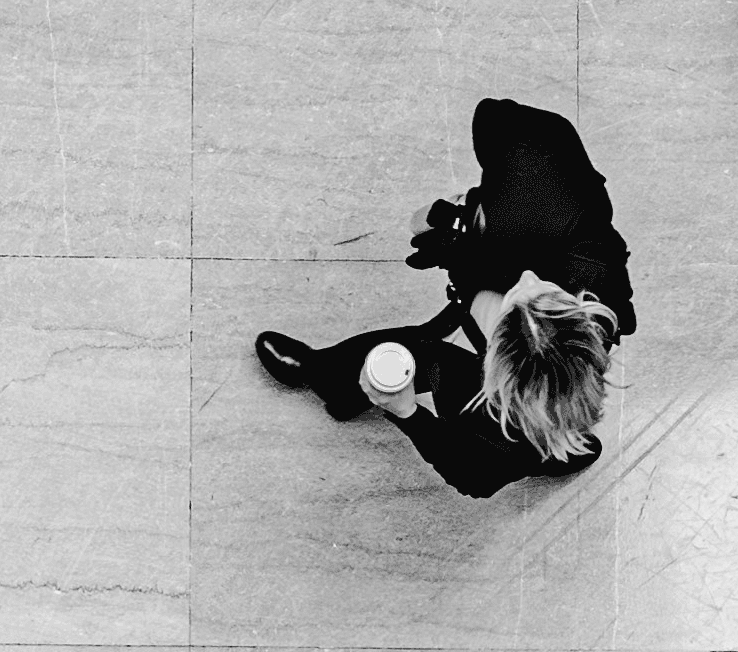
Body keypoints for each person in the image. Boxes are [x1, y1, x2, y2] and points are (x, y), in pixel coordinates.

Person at [252, 98, 634, 498]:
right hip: (542, 391)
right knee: (553, 435)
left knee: (406, 354)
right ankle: (559, 444)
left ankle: (325, 376)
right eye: (544, 294)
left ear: (496, 365)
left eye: (515, 303)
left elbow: (472, 476)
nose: (525, 277)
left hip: (490, 394)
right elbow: (498, 117)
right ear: (583, 322)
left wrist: (408, 413)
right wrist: (474, 226)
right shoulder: (591, 259)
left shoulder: (493, 418)